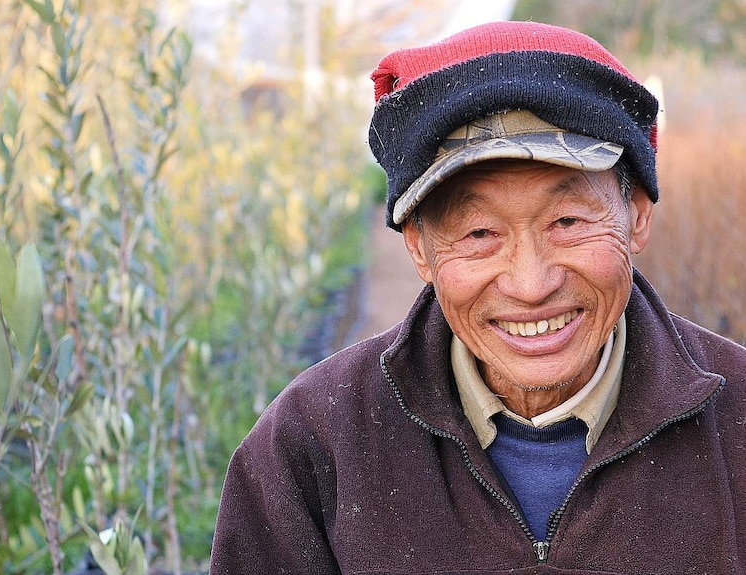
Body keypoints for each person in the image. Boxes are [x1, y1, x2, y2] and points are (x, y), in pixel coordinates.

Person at [209, 21, 746, 574]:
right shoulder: (310, 446)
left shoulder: (738, 423)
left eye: (567, 220)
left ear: (635, 215)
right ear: (419, 248)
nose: (531, 284)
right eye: (479, 233)